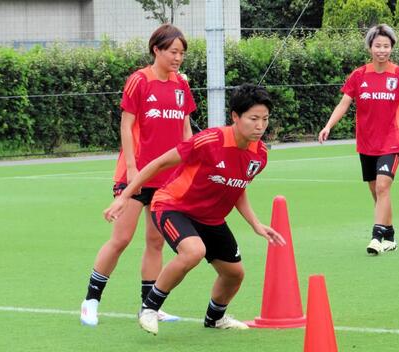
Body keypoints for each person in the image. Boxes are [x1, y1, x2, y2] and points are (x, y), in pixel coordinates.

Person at [103, 84, 286, 335]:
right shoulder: (209, 140)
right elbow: (158, 164)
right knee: (193, 251)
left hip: (210, 217)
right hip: (172, 206)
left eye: (265, 119)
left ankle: (215, 319)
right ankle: (149, 307)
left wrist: (255, 223)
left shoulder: (260, 155)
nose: (260, 126)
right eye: (253, 118)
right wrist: (124, 196)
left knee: (234, 274)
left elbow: (237, 186)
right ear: (235, 116)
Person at [80, 24, 196, 326]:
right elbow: (126, 126)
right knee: (121, 239)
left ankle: (149, 306)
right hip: (136, 174)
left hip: (166, 178)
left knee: (155, 242)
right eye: (173, 52)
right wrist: (131, 169)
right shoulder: (139, 81)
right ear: (156, 50)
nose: (178, 58)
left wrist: (186, 165)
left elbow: (185, 130)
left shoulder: (181, 85)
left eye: (182, 53)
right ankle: (91, 300)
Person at [318, 24, 399, 255]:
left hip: (392, 142)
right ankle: (390, 235)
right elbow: (344, 103)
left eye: (386, 46)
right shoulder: (359, 75)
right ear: (370, 47)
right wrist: (328, 126)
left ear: (392, 48)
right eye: (378, 45)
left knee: (382, 186)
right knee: (377, 191)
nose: (382, 50)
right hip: (367, 143)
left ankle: (376, 236)